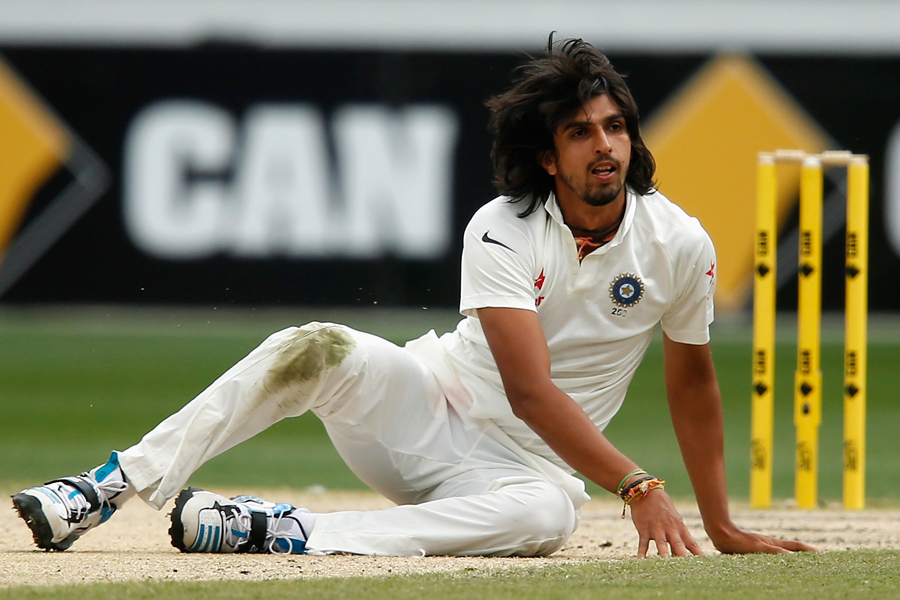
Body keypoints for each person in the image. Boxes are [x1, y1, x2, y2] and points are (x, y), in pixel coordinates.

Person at [12, 37, 815, 559]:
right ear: (546, 158)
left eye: (614, 127)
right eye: (580, 132)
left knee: (551, 519)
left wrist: (720, 522)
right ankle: (101, 487)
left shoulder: (679, 243)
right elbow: (530, 389)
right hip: (423, 410)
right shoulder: (502, 227)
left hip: (522, 474)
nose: (604, 146)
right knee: (316, 342)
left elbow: (693, 383)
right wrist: (639, 483)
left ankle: (281, 530)